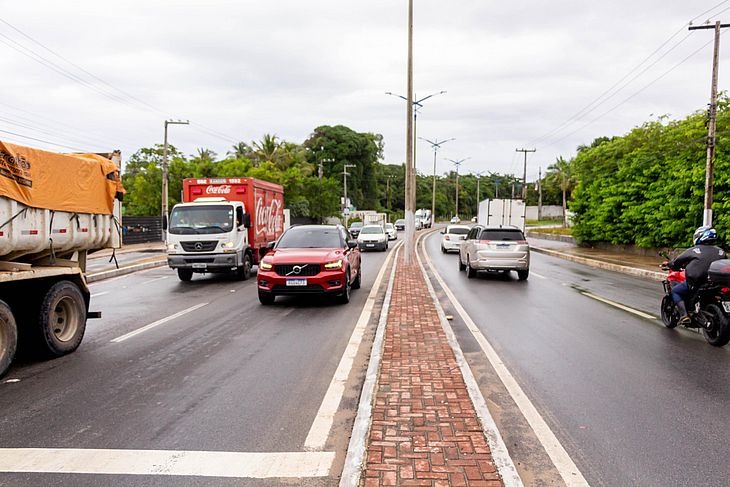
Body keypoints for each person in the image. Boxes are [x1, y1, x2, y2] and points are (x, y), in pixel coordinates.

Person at [667, 226, 726, 324]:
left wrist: (671, 264)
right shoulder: (721, 251)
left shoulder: (694, 250)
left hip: (697, 283)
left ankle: (684, 315)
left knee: (676, 291)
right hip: (716, 284)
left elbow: (677, 262)